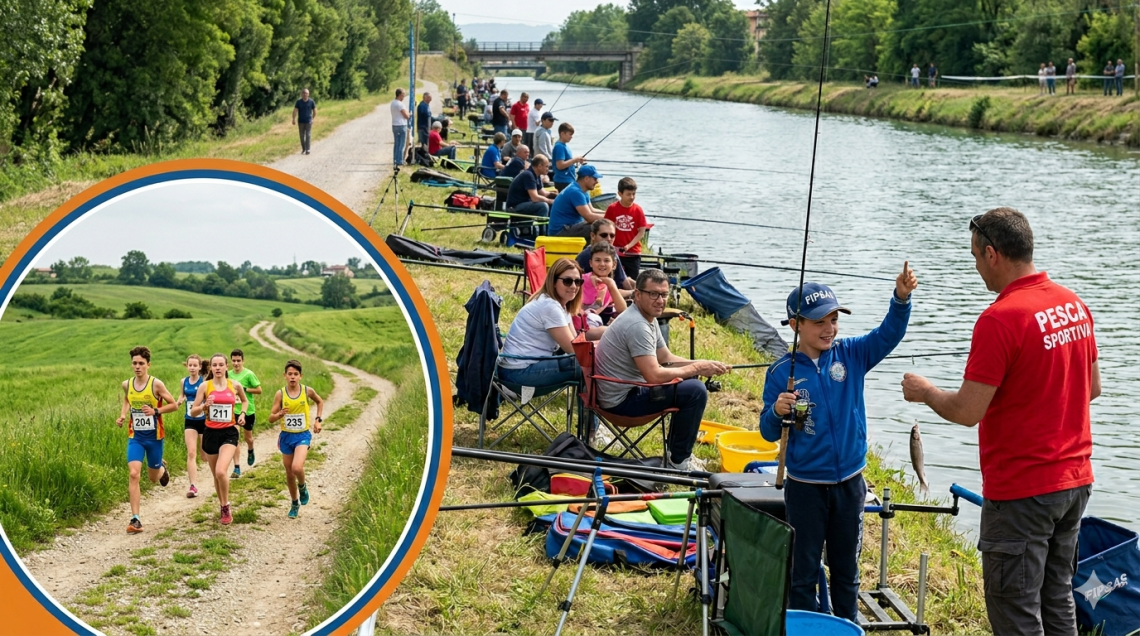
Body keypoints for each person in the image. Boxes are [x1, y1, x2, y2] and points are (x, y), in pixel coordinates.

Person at [900, 207, 1098, 636]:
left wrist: (926, 392)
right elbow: (1092, 388)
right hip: (1075, 483)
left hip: (1023, 492)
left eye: (974, 257)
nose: (976, 268)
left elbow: (967, 412)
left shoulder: (1000, 318)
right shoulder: (1072, 305)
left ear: (992, 254)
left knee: (1015, 613)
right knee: (1056, 596)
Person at [760, 264, 917, 621]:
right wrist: (776, 411)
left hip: (850, 483)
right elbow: (768, 433)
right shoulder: (780, 373)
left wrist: (901, 299)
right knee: (803, 573)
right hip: (804, 488)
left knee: (846, 573)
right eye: (819, 322)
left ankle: (846, 625)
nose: (829, 329)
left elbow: (887, 335)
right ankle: (805, 626)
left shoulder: (851, 355)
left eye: (834, 319)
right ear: (795, 324)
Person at [594, 269, 730, 471]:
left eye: (664, 294)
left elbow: (665, 358)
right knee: (695, 391)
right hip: (620, 403)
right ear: (637, 294)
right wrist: (696, 367)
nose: (660, 300)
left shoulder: (647, 317)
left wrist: (704, 364)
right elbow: (654, 375)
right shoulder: (637, 325)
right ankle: (679, 462)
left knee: (691, 377)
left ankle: (677, 455)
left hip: (627, 390)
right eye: (653, 294)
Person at [497, 258, 588, 389]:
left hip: (523, 367)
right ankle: (595, 407)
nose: (574, 286)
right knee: (585, 363)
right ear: (554, 282)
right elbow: (573, 350)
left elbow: (576, 343)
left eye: (578, 281)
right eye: (568, 281)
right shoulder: (550, 306)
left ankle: (589, 407)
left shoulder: (561, 305)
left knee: (588, 361)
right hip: (516, 374)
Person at [116, 346, 175, 533]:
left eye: (141, 363)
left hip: (155, 438)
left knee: (152, 477)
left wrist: (155, 411)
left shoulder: (156, 384)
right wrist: (123, 415)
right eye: (134, 363)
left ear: (148, 364)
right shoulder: (127, 384)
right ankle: (135, 519)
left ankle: (162, 468)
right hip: (136, 437)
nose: (137, 367)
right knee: (134, 474)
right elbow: (127, 399)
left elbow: (173, 405)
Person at [190, 353, 250, 525]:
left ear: (226, 367)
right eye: (214, 365)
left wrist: (243, 414)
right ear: (211, 368)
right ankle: (222, 504)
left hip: (229, 432)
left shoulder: (235, 385)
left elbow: (244, 402)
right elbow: (193, 411)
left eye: (220, 365)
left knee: (221, 471)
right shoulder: (204, 386)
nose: (217, 368)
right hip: (210, 433)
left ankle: (226, 506)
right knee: (216, 476)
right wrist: (204, 406)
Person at [268, 360, 324, 519]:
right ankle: (294, 502)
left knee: (297, 468)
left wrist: (318, 420)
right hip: (286, 436)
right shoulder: (280, 394)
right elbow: (270, 418)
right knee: (289, 473)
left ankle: (303, 487)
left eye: (296, 374)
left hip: (302, 435)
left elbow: (320, 401)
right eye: (290, 374)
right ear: (284, 376)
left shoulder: (307, 391)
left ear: (300, 376)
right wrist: (279, 414)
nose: (292, 377)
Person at [605, 177, 650, 279]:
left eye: (634, 194)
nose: (632, 197)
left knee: (632, 280)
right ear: (620, 194)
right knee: (614, 279)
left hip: (633, 253)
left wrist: (628, 246)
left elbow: (641, 232)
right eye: (628, 194)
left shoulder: (638, 210)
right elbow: (607, 227)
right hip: (615, 252)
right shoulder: (612, 208)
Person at [175, 354, 206, 499]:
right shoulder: (184, 381)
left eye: (195, 365)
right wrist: (179, 402)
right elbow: (182, 396)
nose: (192, 368)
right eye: (190, 365)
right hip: (190, 420)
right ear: (186, 366)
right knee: (191, 452)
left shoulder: (204, 381)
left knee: (205, 455)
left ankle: (218, 474)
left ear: (200, 367)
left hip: (204, 420)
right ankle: (193, 485)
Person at [575, 219, 635, 292]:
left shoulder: (611, 252)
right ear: (593, 236)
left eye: (612, 235)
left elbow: (623, 280)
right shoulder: (584, 257)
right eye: (604, 235)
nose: (609, 239)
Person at [228, 348, 261, 478]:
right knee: (234, 438)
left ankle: (251, 449)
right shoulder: (228, 375)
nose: (236, 363)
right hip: (232, 410)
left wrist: (244, 389)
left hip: (248, 410)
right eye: (234, 361)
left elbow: (259, 390)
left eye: (238, 361)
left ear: (243, 361)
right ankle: (237, 467)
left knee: (248, 438)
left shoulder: (249, 374)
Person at [548, 164, 605, 238]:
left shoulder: (583, 190)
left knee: (601, 224)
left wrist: (610, 212)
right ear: (586, 178)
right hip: (559, 232)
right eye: (595, 179)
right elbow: (589, 217)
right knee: (597, 227)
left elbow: (592, 210)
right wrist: (611, 218)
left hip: (570, 226)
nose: (597, 181)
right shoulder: (575, 192)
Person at [581, 242, 628, 329]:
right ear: (591, 263)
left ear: (614, 265)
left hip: (597, 322)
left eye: (606, 260)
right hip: (582, 321)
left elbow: (622, 309)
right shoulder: (582, 279)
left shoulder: (609, 284)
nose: (602, 264)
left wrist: (611, 284)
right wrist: (589, 280)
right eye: (598, 260)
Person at [552, 122, 587, 192]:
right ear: (562, 134)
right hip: (563, 180)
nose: (571, 137)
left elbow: (567, 162)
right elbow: (560, 165)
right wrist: (574, 160)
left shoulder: (564, 146)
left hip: (568, 179)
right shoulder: (559, 146)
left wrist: (577, 160)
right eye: (570, 134)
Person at [292, 88, 316, 155]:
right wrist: (293, 119)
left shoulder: (311, 102)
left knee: (308, 135)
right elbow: (295, 110)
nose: (305, 94)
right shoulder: (298, 102)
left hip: (308, 121)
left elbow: (314, 110)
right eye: (303, 93)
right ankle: (303, 148)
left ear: (308, 94)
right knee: (301, 136)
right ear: (301, 94)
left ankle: (308, 149)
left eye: (306, 93)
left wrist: (313, 118)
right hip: (301, 121)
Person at [390, 88, 410, 166]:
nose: (404, 96)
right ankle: (400, 160)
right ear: (400, 95)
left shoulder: (393, 103)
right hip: (401, 125)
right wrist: (409, 114)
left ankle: (395, 159)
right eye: (403, 95)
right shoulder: (400, 104)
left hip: (395, 124)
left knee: (397, 143)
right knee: (402, 144)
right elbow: (406, 115)